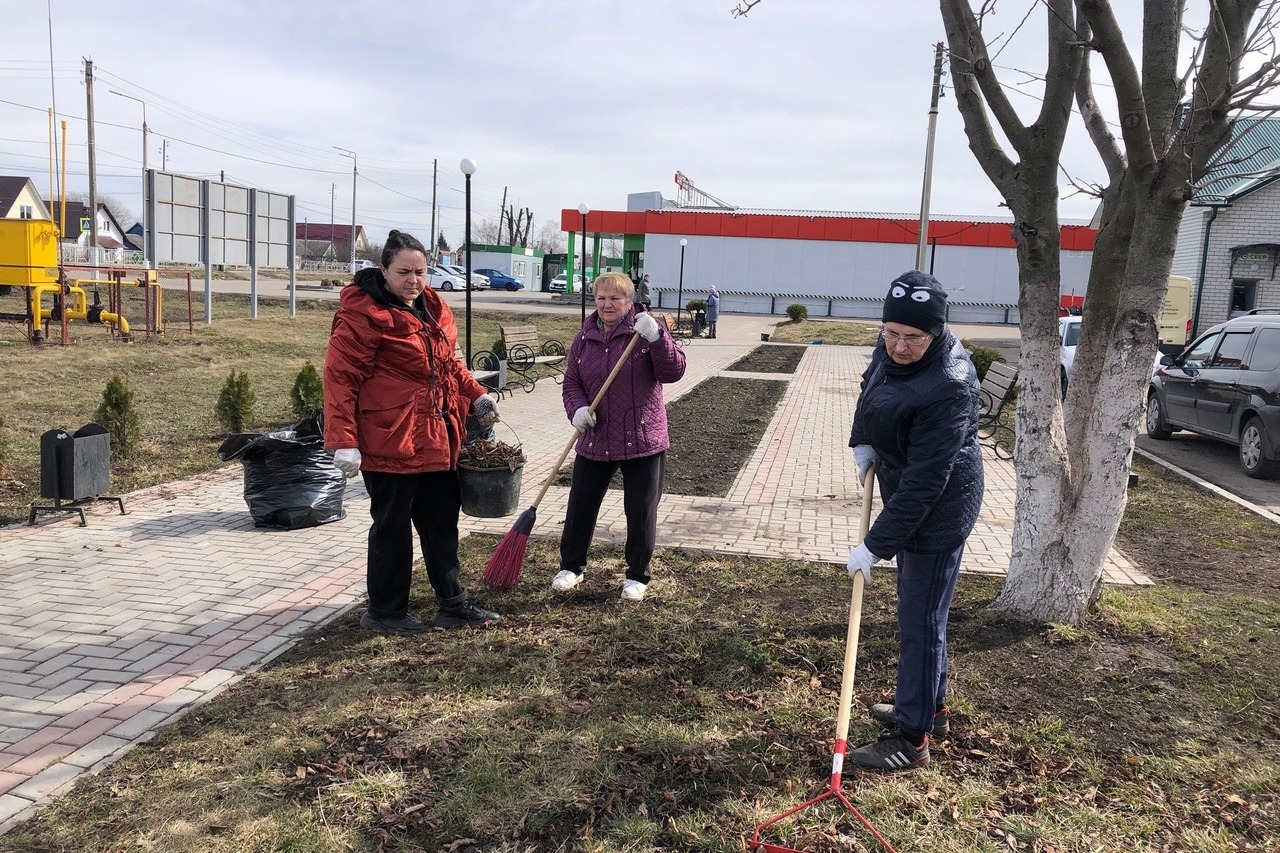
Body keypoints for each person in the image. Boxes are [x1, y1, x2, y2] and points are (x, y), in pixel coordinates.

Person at [324, 230, 503, 635]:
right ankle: (385, 612)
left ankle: (452, 604)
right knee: (392, 526)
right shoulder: (363, 315)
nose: (414, 280)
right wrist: (344, 440)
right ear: (383, 270)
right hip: (390, 437)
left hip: (437, 436)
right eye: (404, 271)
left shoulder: (434, 309)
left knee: (441, 522)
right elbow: (340, 379)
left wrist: (476, 396)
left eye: (421, 271)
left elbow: (450, 365)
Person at [845, 269, 984, 772]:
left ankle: (913, 739)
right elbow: (873, 381)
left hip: (938, 510)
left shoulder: (948, 386)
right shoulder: (895, 348)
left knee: (921, 622)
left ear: (937, 332)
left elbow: (927, 483)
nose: (898, 347)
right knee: (923, 616)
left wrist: (875, 545)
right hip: (909, 490)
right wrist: (863, 437)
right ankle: (932, 708)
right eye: (891, 334)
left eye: (913, 338)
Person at [552, 272, 687, 601]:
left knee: (640, 509)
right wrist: (578, 409)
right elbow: (572, 382)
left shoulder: (644, 331)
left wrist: (658, 338)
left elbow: (674, 371)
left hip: (641, 437)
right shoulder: (584, 338)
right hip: (596, 436)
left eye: (615, 298)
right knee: (580, 505)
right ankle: (572, 567)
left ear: (629, 302)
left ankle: (637, 574)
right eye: (601, 298)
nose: (607, 304)